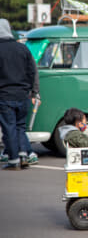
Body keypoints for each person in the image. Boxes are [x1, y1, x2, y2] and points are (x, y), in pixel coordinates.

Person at [0, 18, 40, 170]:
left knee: (9, 128)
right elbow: (32, 71)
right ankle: (24, 154)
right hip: (23, 95)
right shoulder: (23, 49)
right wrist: (35, 92)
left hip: (4, 96)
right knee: (20, 127)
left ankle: (13, 159)